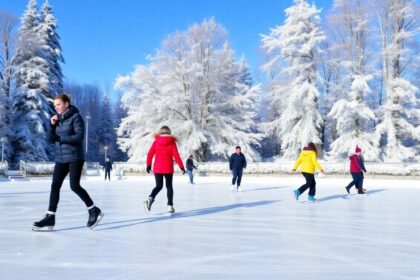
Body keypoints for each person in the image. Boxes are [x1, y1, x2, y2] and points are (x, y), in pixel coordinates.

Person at [33, 94, 104, 231]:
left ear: (66, 104)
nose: (56, 107)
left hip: (75, 156)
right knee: (55, 185)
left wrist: (59, 138)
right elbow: (50, 139)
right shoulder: (57, 119)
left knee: (74, 186)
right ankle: (50, 217)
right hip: (61, 158)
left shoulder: (76, 117)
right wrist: (52, 125)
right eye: (55, 106)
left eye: (58, 105)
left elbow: (79, 137)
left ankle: (94, 210)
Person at [143, 126, 185, 214]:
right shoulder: (172, 142)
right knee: (169, 186)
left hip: (157, 168)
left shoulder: (156, 142)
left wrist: (148, 165)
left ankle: (151, 198)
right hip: (168, 168)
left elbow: (150, 154)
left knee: (159, 186)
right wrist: (181, 167)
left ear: (160, 132)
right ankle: (170, 206)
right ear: (169, 132)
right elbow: (176, 155)